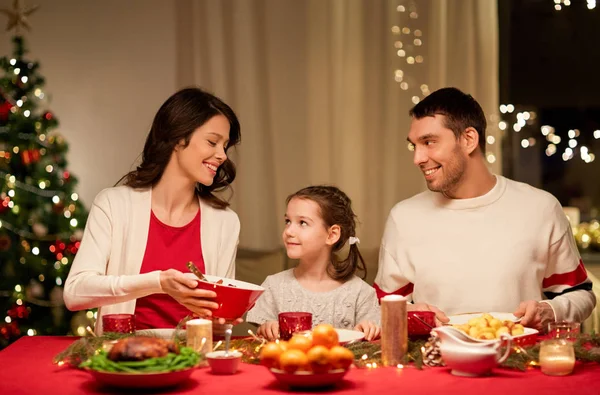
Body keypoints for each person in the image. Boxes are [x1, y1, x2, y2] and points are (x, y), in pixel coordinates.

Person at [374, 87, 596, 332]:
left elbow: (581, 294)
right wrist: (411, 315)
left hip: (523, 363)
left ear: (469, 139)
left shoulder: (540, 207)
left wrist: (551, 310)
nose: (417, 158)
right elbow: (381, 307)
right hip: (435, 364)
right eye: (414, 145)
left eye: (429, 142)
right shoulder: (404, 218)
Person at [64, 87, 242, 333]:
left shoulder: (225, 221)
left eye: (225, 146)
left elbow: (217, 323)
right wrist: (158, 282)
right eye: (212, 142)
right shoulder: (113, 205)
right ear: (179, 138)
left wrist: (222, 319)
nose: (222, 155)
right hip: (123, 359)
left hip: (193, 357)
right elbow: (75, 293)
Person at [247, 186, 381, 341]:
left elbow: (371, 345)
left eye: (302, 223)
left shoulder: (361, 293)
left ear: (332, 235)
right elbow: (260, 342)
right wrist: (266, 328)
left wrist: (368, 330)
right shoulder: (273, 286)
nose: (289, 231)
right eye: (288, 221)